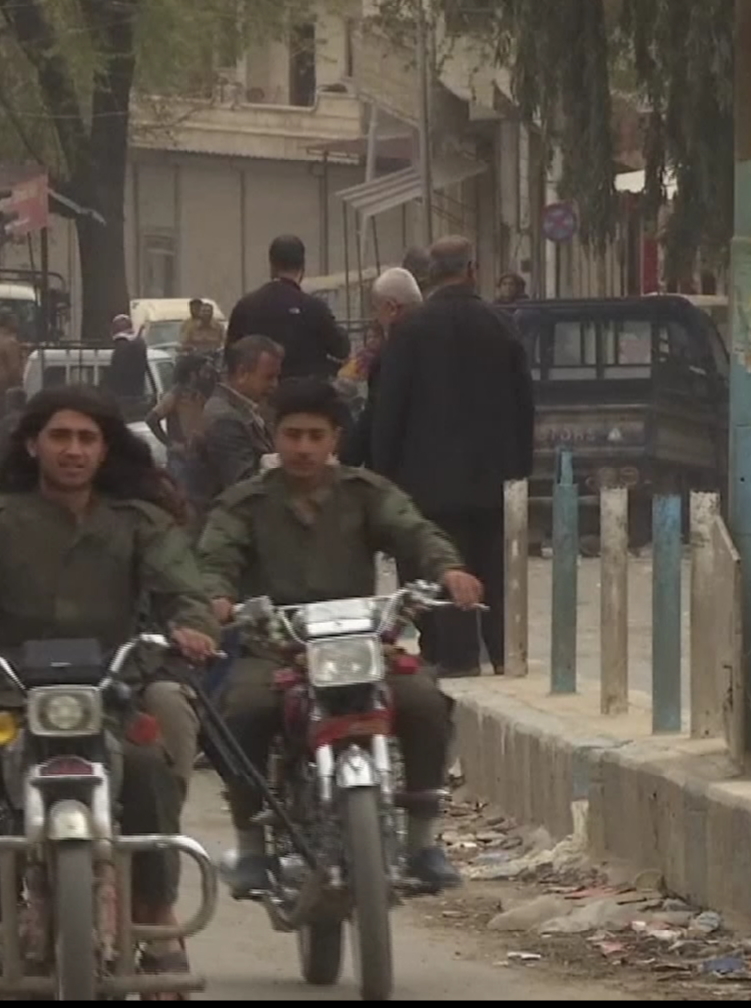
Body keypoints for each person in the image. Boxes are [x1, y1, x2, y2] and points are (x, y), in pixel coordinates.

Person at [0, 385, 218, 978]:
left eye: (87, 439)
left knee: (148, 766)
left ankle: (157, 916)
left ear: (104, 451)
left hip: (115, 690)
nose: (73, 450)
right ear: (32, 444)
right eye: (60, 437)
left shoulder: (141, 523)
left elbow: (185, 593)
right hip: (10, 694)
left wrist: (193, 628)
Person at [197, 378, 480, 893]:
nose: (303, 447)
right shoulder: (246, 502)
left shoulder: (365, 493)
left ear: (335, 440)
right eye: (292, 435)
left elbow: (414, 531)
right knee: (243, 709)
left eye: (315, 435)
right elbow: (216, 557)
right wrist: (216, 597)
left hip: (362, 644)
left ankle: (421, 842)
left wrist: (449, 570)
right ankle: (253, 846)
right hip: (277, 645)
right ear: (274, 439)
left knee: (424, 702)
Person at [368, 236, 535, 677]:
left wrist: (383, 486)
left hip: (426, 487)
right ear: (472, 270)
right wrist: (520, 475)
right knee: (493, 579)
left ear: (429, 275)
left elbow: (390, 413)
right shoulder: (501, 327)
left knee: (439, 577)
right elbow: (524, 407)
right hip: (493, 483)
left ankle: (454, 661)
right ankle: (503, 657)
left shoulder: (409, 333)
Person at [225, 235, 350, 382]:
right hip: (306, 396)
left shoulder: (245, 305)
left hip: (258, 397)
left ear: (271, 266)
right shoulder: (314, 308)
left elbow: (231, 354)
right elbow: (341, 349)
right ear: (302, 267)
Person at [340, 267, 424, 467]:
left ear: (391, 308)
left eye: (376, 310)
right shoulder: (443, 339)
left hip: (402, 468)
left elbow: (377, 417)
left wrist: (346, 462)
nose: (376, 319)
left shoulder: (394, 353)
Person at [194, 334, 282, 502]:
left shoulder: (243, 410)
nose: (275, 385)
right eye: (269, 377)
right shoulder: (225, 418)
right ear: (242, 373)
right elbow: (242, 485)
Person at [146, 351, 216, 497]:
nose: (207, 376)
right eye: (203, 371)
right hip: (182, 459)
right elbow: (152, 419)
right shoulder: (176, 394)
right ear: (192, 374)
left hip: (200, 457)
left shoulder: (201, 394)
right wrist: (171, 444)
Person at [0, 312, 25, 422]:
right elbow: (14, 368)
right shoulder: (10, 342)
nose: (17, 323)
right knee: (10, 418)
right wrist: (19, 383)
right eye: (15, 320)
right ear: (8, 323)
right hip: (7, 385)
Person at [105, 313, 151, 408]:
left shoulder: (120, 348)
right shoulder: (139, 345)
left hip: (119, 399)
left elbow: (116, 373)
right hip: (136, 398)